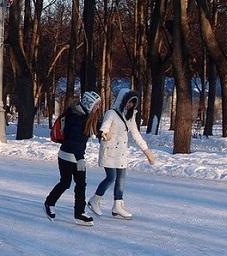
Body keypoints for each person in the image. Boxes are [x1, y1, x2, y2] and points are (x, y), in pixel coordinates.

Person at [88, 89, 156, 220]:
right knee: (111, 177)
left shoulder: (130, 117)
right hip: (109, 152)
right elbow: (104, 127)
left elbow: (136, 134)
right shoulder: (111, 113)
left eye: (133, 103)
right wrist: (104, 134)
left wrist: (147, 151)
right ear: (122, 100)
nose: (130, 105)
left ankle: (117, 206)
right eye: (129, 101)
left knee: (121, 180)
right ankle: (94, 200)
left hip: (121, 154)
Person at [43, 91, 102, 226]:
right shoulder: (76, 117)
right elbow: (74, 141)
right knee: (66, 182)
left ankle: (79, 213)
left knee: (81, 184)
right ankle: (49, 203)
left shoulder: (84, 116)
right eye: (96, 105)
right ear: (89, 104)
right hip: (67, 156)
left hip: (75, 156)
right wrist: (80, 158)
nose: (97, 108)